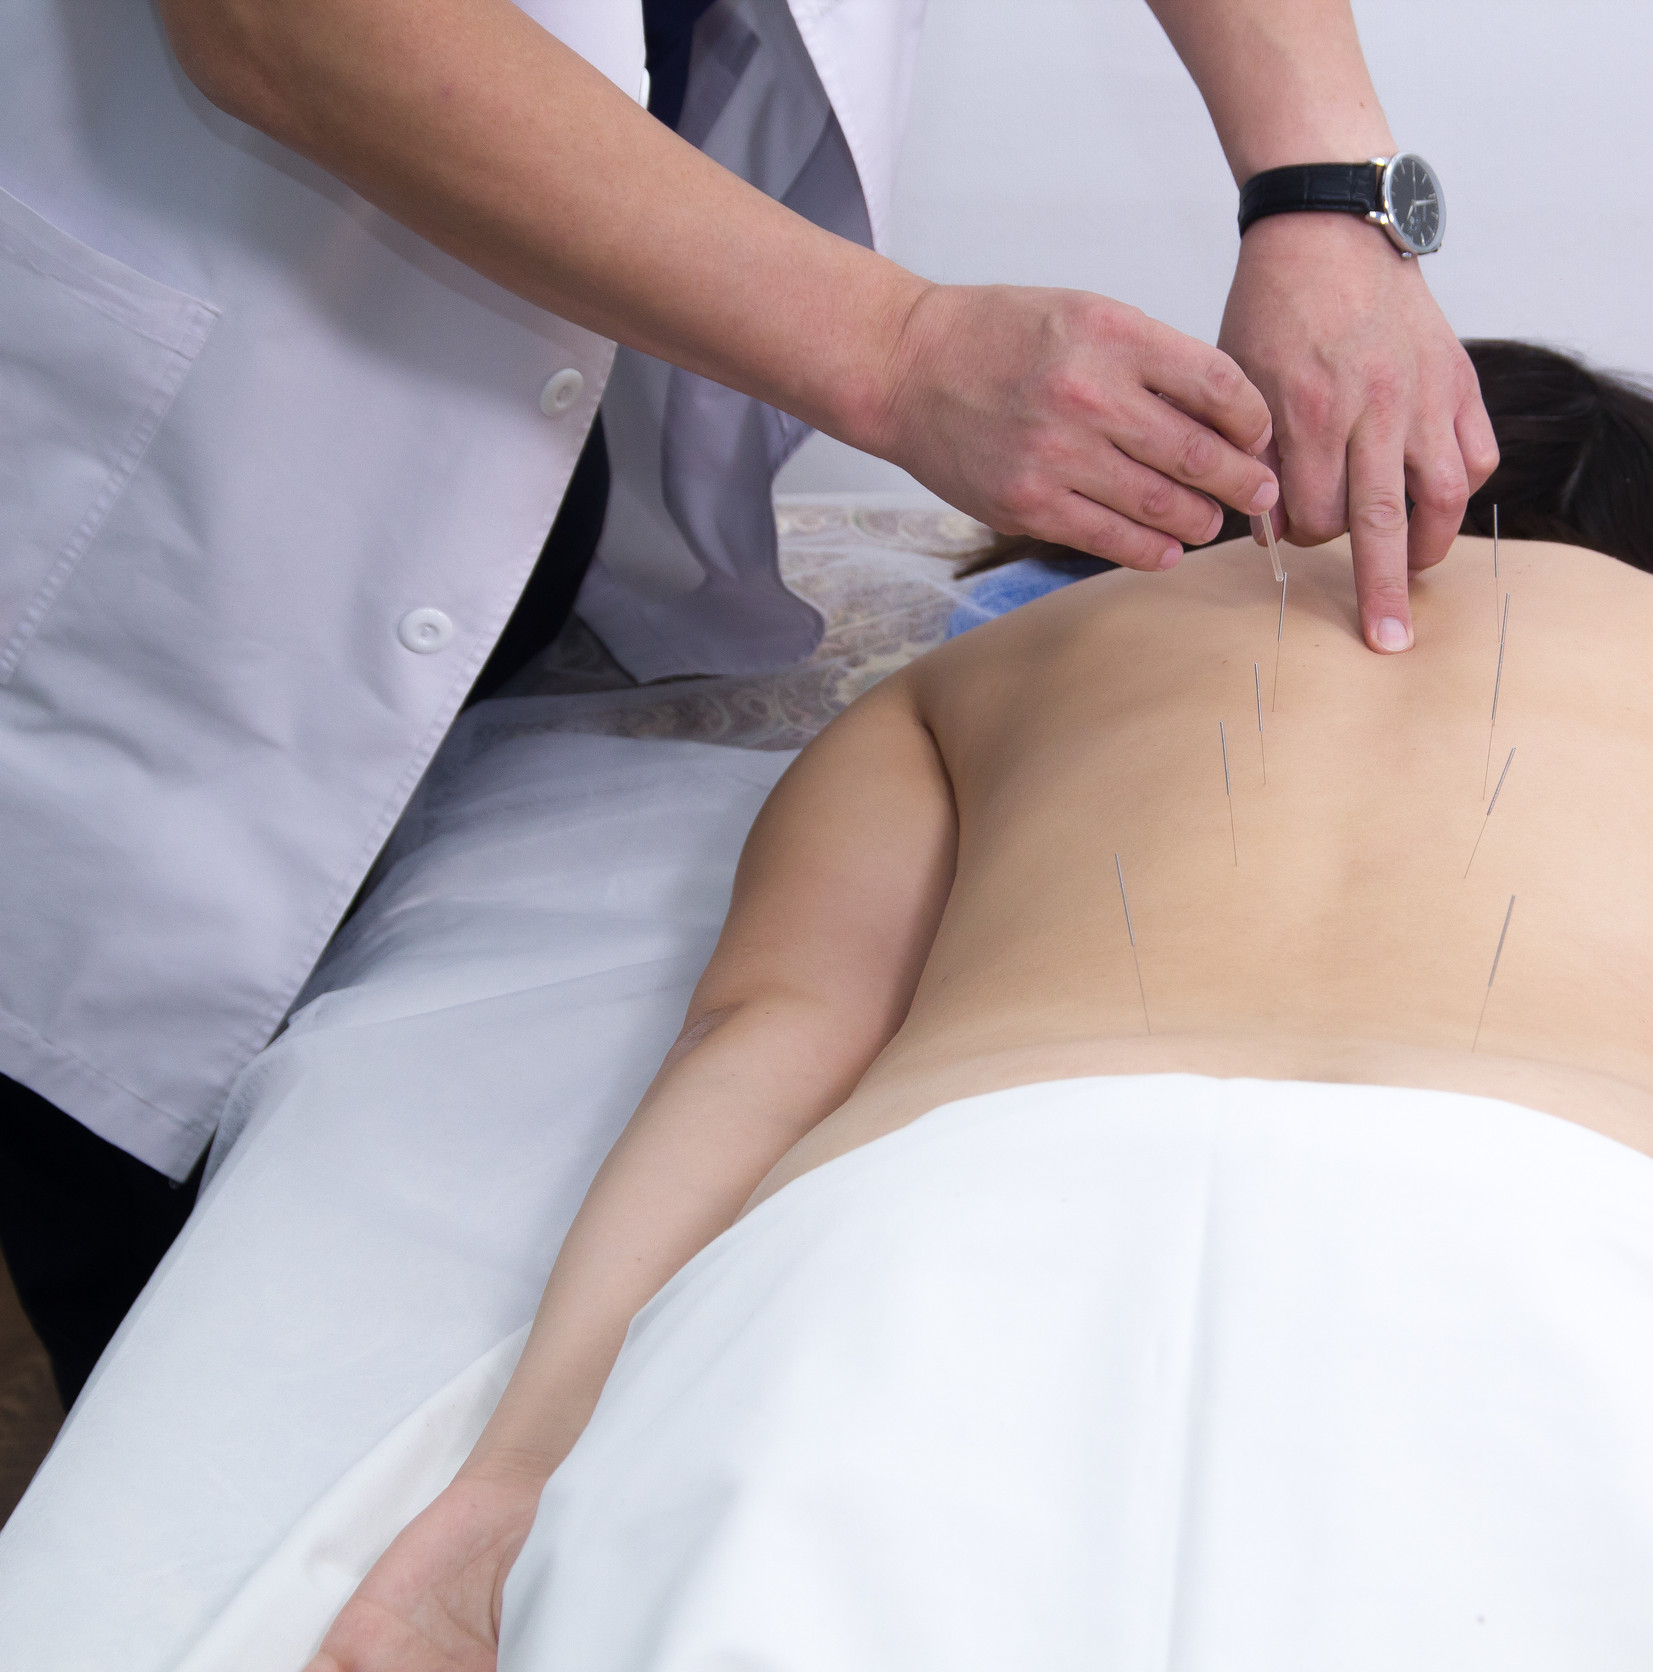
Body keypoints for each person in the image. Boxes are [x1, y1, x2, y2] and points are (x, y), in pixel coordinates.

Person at [306, 344, 1653, 1672]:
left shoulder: (999, 671)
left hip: (937, 1244)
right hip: (1605, 1268)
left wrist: (508, 1491)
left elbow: (761, 1042)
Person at [0, 0, 1493, 1407]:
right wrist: (893, 352)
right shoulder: (984, 697)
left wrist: (1323, 185)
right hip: (183, 489)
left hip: (516, 499)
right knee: (156, 1253)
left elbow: (773, 1023)